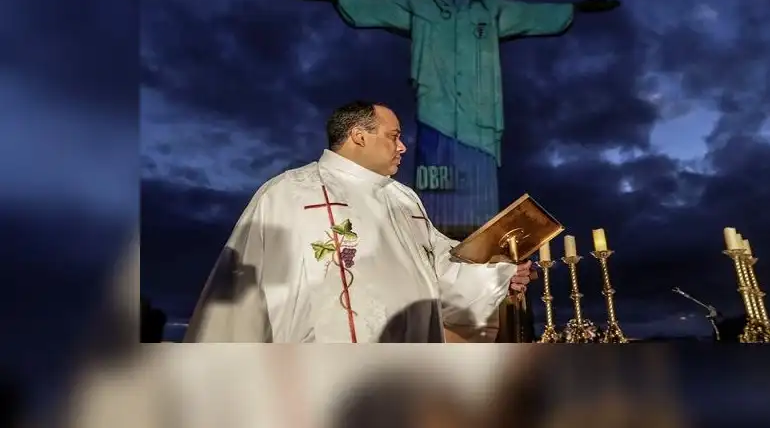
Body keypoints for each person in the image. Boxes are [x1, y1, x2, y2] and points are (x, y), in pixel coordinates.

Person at [286, 0, 619, 238]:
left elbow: (532, 14)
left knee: (478, 172)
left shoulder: (488, 7)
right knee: (436, 165)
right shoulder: (422, 3)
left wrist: (576, 8)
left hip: (480, 109)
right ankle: (436, 230)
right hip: (437, 105)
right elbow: (380, 5)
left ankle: (479, 233)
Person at [184, 101, 533, 343]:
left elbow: (443, 268)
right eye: (394, 136)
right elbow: (240, 295)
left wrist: (498, 274)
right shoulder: (290, 193)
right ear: (358, 135)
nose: (403, 148)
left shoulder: (404, 199)